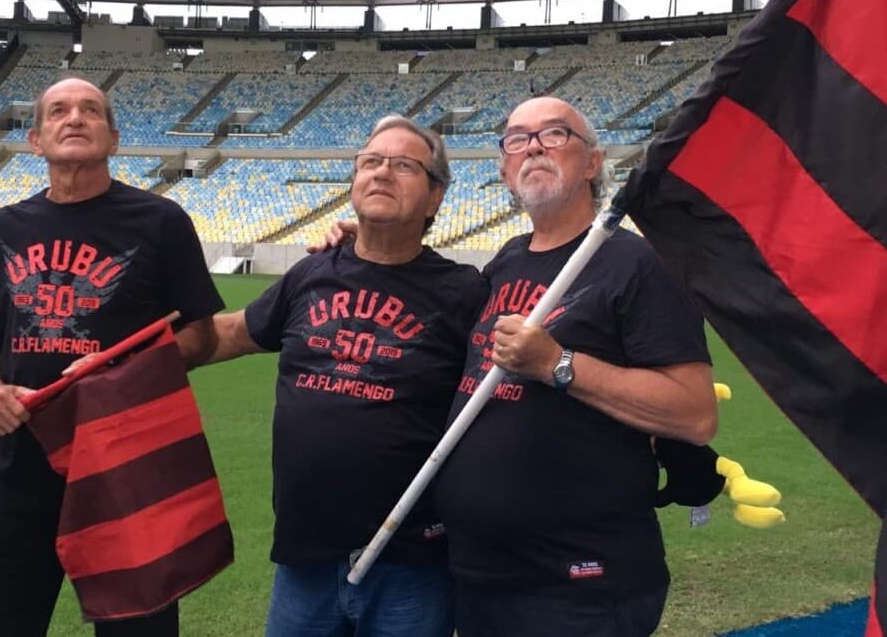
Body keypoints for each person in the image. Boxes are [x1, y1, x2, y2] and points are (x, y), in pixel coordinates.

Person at [433, 96, 717, 636]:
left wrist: (557, 364)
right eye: (516, 138)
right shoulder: (505, 261)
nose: (533, 145)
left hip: (578, 584)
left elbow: (695, 413)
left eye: (555, 133)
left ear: (593, 162)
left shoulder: (638, 264)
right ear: (503, 168)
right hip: (481, 574)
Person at [196, 115, 487, 636]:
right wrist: (124, 354)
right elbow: (229, 334)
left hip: (410, 562)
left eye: (403, 166)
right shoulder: (312, 272)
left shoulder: (463, 291)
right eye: (370, 162)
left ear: (436, 196)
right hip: (305, 557)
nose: (381, 173)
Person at [0, 77, 224, 637]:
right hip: (20, 469)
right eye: (58, 110)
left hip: (125, 475)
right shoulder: (4, 226)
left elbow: (201, 336)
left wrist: (125, 375)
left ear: (114, 137)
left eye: (90, 110)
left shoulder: (160, 222)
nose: (74, 117)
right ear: (35, 139)